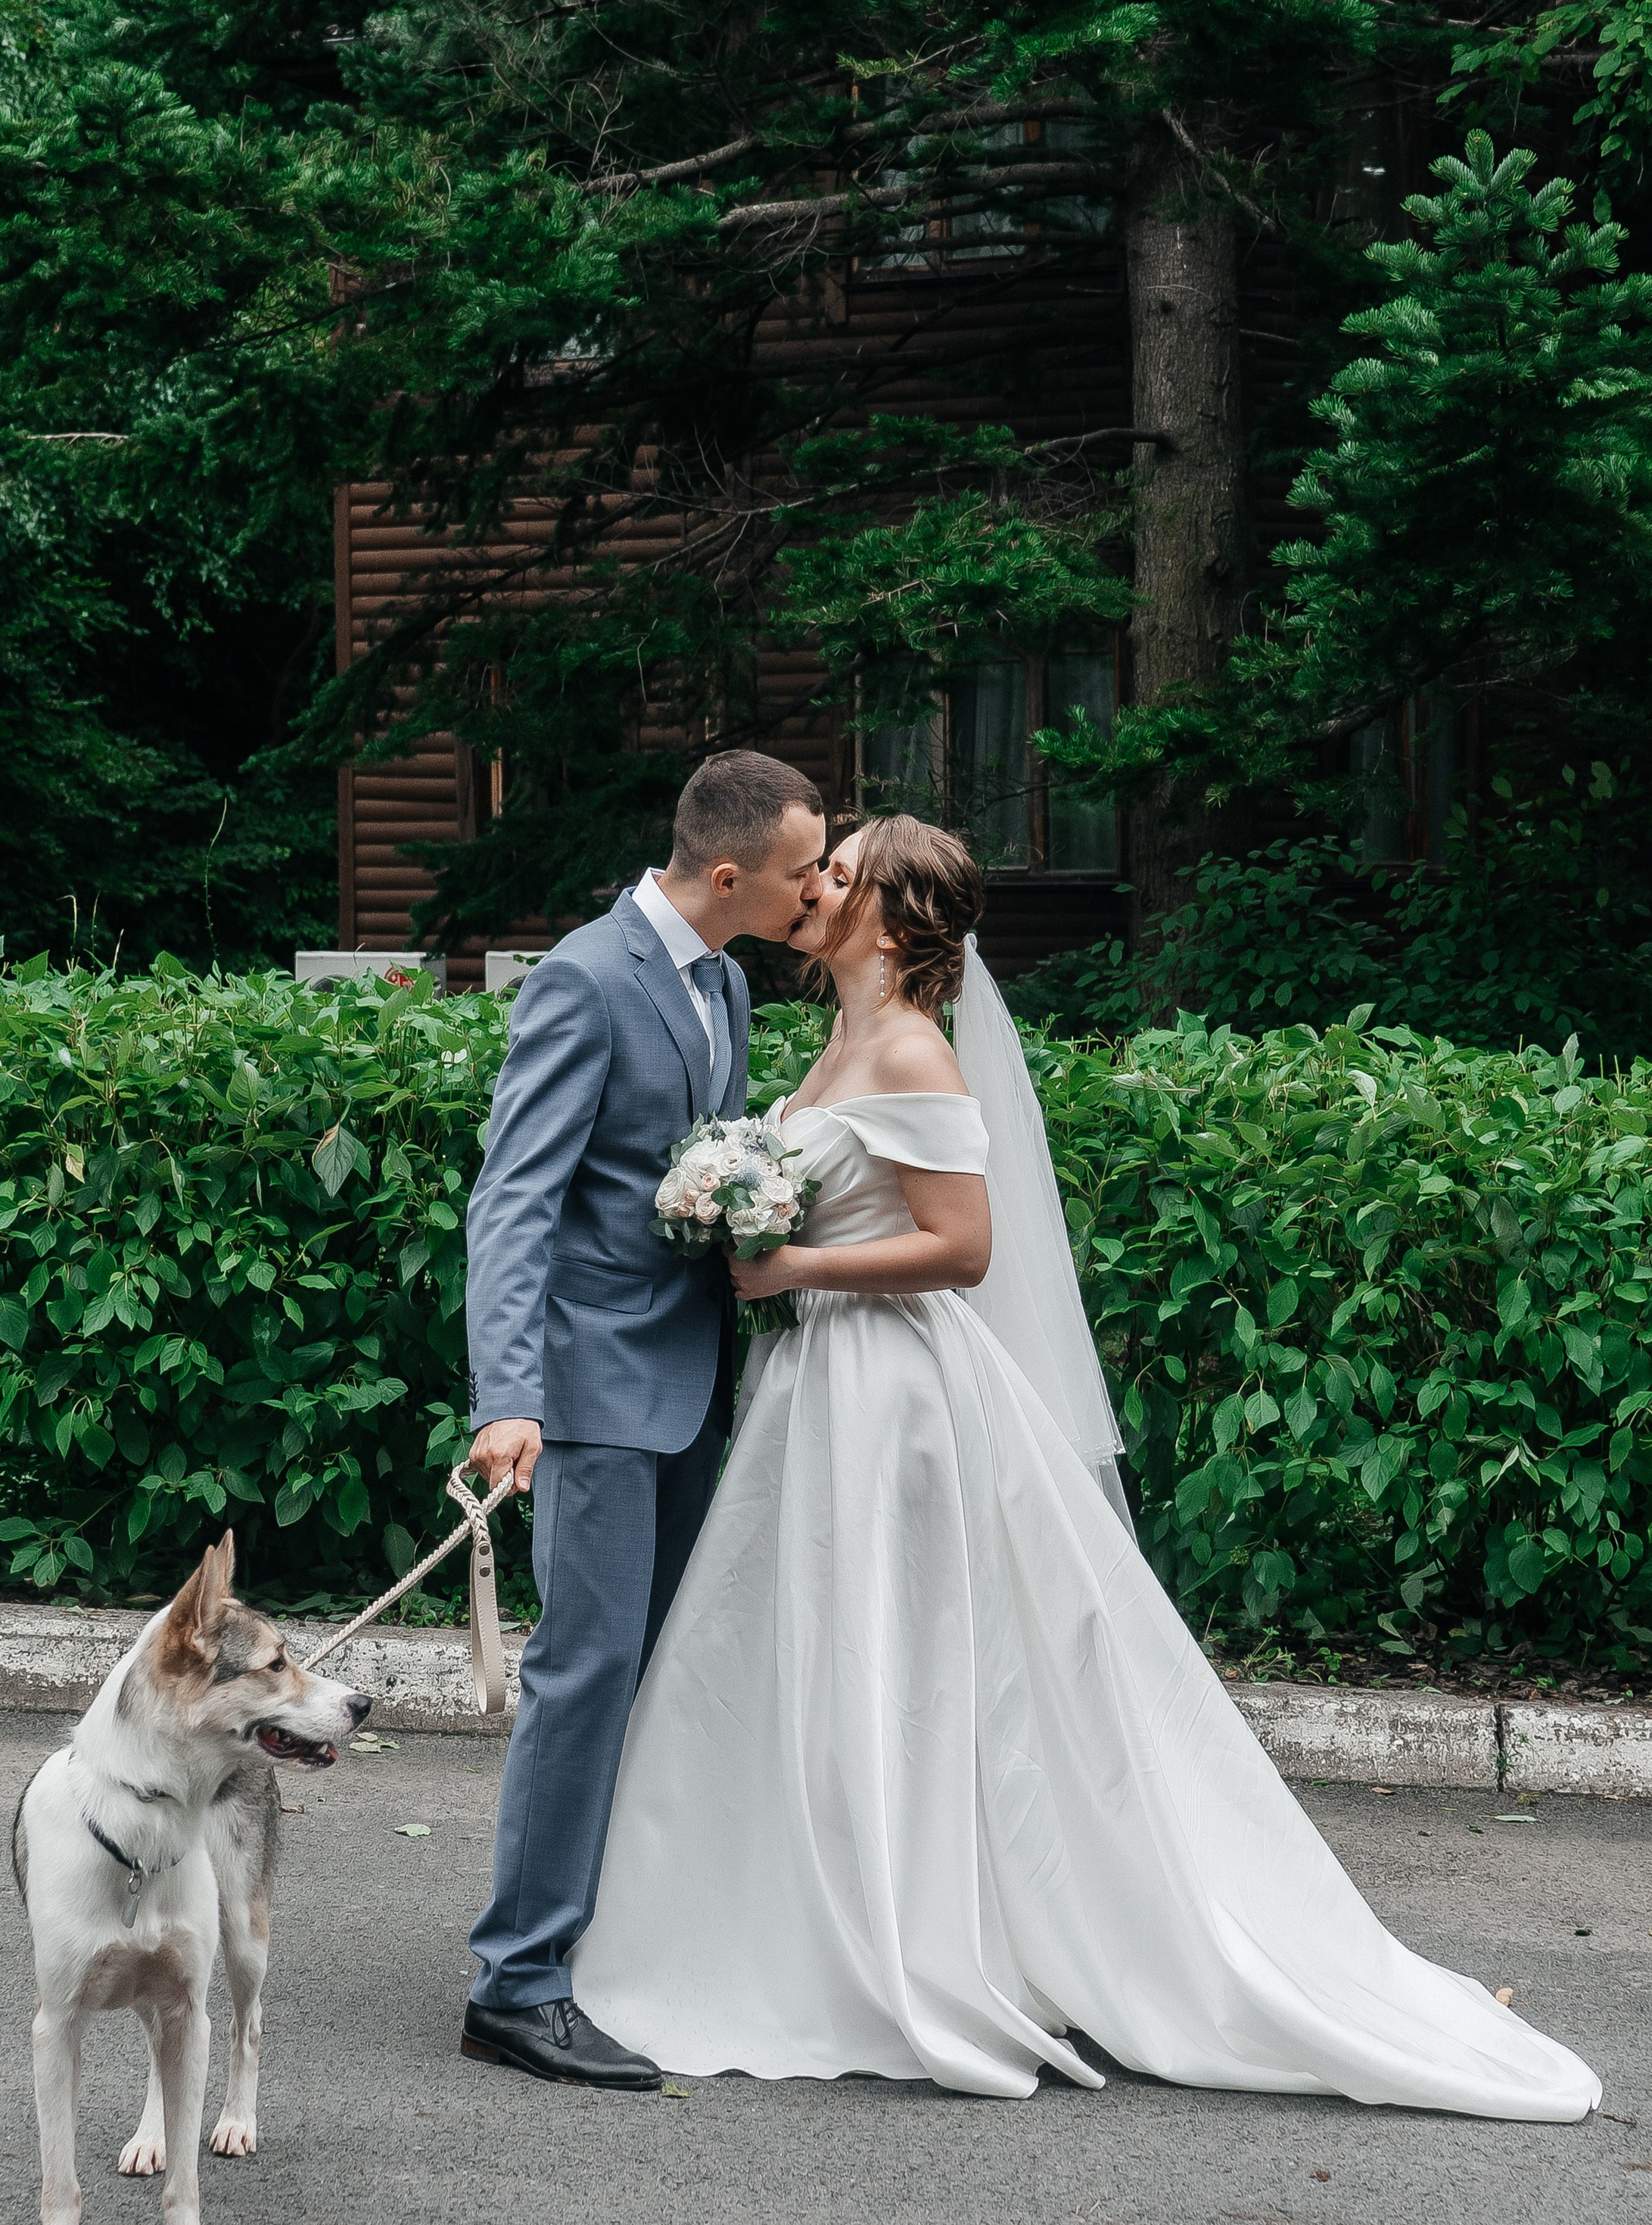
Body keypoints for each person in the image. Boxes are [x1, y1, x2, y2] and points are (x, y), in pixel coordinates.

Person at [571, 814, 1601, 2122]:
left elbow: (964, 1249)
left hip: (893, 1395)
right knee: (815, 1649)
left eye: (843, 871)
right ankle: (803, 1915)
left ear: (891, 919)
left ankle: (910, 1934)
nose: (817, 885)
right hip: (819, 1384)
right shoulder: (837, 1039)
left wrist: (797, 1265)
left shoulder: (914, 1050)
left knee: (896, 1657)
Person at [458, 749, 828, 2086]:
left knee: (654, 1671)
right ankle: (515, 1985)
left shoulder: (724, 979)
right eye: (802, 873)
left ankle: (606, 1945)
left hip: (692, 1383)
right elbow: (513, 1202)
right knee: (586, 1671)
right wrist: (510, 1398)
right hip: (595, 1390)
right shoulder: (584, 979)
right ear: (730, 875)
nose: (817, 891)